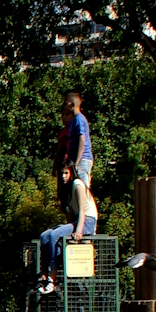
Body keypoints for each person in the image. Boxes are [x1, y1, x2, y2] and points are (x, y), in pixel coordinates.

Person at [40, 90, 98, 287]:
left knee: (79, 187)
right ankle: (45, 275)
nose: (63, 107)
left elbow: (82, 141)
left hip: (82, 161)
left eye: (65, 104)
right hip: (74, 161)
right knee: (70, 195)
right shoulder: (71, 123)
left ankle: (78, 227)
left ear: (71, 105)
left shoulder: (80, 119)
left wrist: (77, 161)